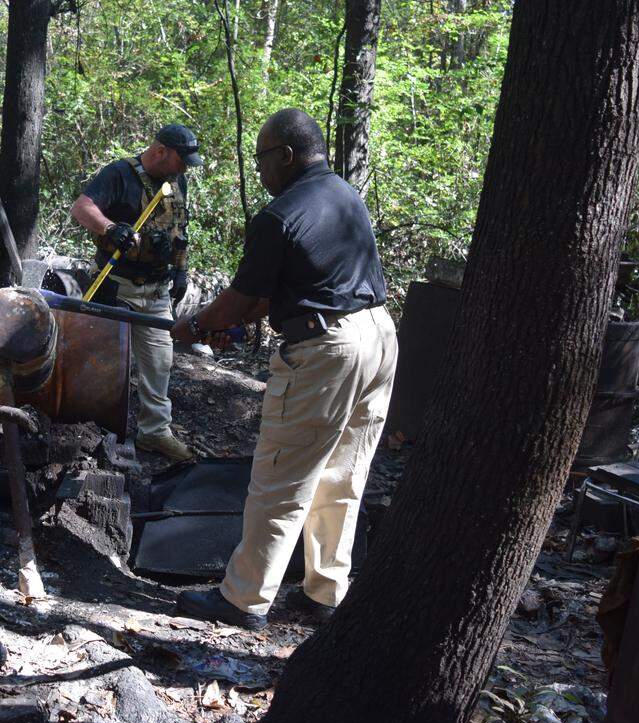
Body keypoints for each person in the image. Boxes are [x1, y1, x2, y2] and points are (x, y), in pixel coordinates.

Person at [171, 109, 397, 630]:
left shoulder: (279, 215)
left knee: (281, 476)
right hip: (378, 336)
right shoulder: (343, 195)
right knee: (343, 475)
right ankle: (325, 592)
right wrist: (228, 320)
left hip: (327, 350)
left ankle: (243, 599)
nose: (260, 171)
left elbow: (239, 302)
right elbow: (274, 294)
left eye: (261, 159)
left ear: (286, 156)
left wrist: (195, 324)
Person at [70, 124, 203, 462]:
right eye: (181, 161)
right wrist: (111, 228)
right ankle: (93, 431)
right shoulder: (119, 173)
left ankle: (154, 433)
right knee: (106, 363)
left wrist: (181, 269)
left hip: (156, 290)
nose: (185, 168)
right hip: (116, 286)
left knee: (159, 362)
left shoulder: (176, 182)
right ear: (161, 152)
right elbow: (81, 207)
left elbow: (179, 229)